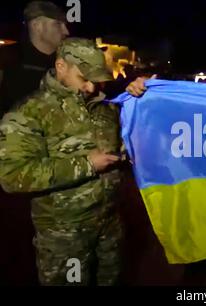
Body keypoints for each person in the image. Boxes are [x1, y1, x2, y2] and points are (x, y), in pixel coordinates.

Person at [0, 38, 124, 286]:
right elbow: (12, 176)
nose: (91, 87)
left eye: (96, 79)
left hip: (109, 226)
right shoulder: (29, 112)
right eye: (84, 78)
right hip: (65, 236)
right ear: (61, 66)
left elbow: (117, 144)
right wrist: (87, 165)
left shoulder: (104, 106)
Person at [0, 1, 69, 116]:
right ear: (37, 26)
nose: (66, 31)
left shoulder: (69, 61)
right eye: (58, 24)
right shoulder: (6, 57)